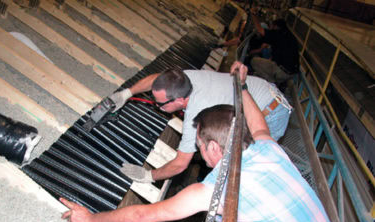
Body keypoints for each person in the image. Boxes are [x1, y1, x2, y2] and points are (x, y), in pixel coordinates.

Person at [61, 62, 348, 222]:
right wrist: (242, 86)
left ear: (213, 145)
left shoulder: (211, 190)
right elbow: (259, 124)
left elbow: (142, 216)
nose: (198, 151)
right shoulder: (270, 148)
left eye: (199, 146)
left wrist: (89, 219)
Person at [108, 65, 291, 184]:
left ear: (179, 100)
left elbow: (180, 164)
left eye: (160, 104)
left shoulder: (196, 112)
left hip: (271, 112)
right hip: (264, 92)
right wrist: (127, 93)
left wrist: (148, 175)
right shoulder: (183, 79)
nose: (156, 105)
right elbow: (156, 79)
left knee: (245, 164)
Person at [250, 11, 300, 84]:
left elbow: (260, 30)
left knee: (254, 61)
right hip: (292, 72)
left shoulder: (277, 34)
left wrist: (253, 14)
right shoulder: (290, 36)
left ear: (276, 26)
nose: (271, 28)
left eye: (272, 26)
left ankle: (271, 82)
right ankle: (273, 80)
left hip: (282, 72)